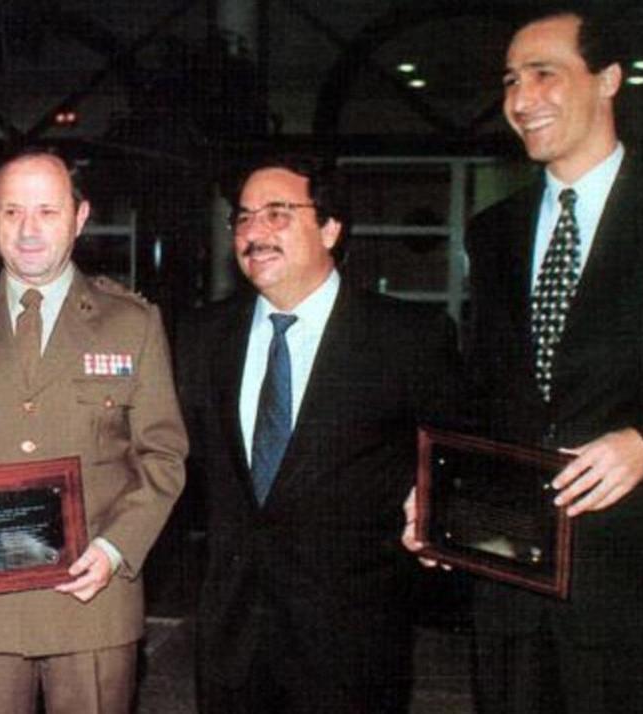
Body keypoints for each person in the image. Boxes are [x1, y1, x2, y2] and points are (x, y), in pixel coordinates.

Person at [403, 7, 643, 712]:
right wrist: (436, 493)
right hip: (509, 586)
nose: (519, 100)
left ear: (608, 80)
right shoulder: (495, 233)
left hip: (639, 592)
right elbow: (486, 391)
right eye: (511, 80)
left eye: (545, 74)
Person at [0, 147, 187, 714]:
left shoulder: (132, 322)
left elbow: (164, 453)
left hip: (90, 595)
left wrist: (114, 549)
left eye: (47, 212)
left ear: (80, 218)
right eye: (12, 212)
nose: (29, 230)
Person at [177, 155, 466, 713]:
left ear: (331, 228)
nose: (253, 232)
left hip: (352, 643)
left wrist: (437, 510)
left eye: (277, 214)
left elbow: (455, 457)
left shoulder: (408, 337)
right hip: (232, 639)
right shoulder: (199, 337)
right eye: (242, 218)